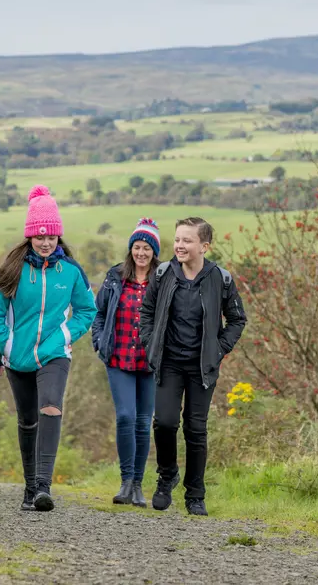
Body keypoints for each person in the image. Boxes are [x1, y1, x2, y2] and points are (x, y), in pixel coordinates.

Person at [0, 185, 97, 512]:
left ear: (59, 238)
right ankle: (29, 486)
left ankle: (44, 487)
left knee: (51, 407)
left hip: (55, 353)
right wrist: (7, 344)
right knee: (27, 420)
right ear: (30, 237)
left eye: (52, 238)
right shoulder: (12, 270)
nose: (46, 243)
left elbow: (87, 310)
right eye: (40, 237)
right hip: (18, 357)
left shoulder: (71, 272)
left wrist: (64, 335)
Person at [139, 217, 247, 516]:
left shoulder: (220, 278)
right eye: (177, 240)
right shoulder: (163, 273)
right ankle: (166, 475)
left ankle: (195, 495)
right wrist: (150, 343)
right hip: (169, 363)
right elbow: (146, 311)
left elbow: (237, 320)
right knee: (164, 423)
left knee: (195, 429)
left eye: (187, 240)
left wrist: (219, 349)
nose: (179, 246)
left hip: (202, 367)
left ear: (204, 246)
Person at [92, 218, 161, 508]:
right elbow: (98, 313)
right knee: (125, 417)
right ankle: (124, 481)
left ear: (154, 251)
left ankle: (137, 485)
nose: (141, 253)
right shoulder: (115, 276)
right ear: (130, 249)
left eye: (146, 248)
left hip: (150, 362)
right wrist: (99, 341)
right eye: (137, 247)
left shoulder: (164, 279)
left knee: (144, 423)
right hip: (119, 357)